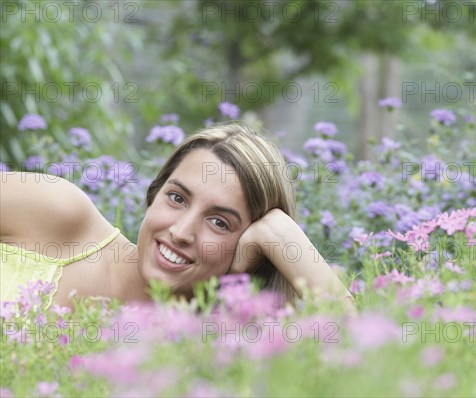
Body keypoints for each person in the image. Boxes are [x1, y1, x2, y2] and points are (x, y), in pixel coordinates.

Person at [0, 122, 352, 309]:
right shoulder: (58, 214)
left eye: (219, 222)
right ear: (153, 194)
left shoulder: (210, 356)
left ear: (251, 251)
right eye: (177, 198)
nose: (182, 231)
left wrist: (282, 238)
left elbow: (365, 371)